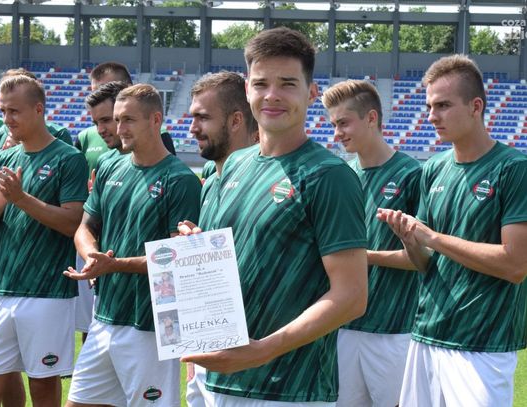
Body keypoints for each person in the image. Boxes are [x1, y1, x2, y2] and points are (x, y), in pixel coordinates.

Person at [179, 27, 368, 407]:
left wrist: (261, 351)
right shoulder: (233, 165)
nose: (272, 95)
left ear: (311, 93)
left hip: (288, 390)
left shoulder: (329, 176)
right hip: (215, 378)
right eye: (262, 83)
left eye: (288, 84)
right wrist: (198, 250)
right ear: (247, 89)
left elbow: (351, 297)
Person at [375, 54, 527, 407]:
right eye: (429, 106)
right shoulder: (433, 169)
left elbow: (516, 265)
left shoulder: (514, 169)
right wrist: (411, 241)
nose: (431, 116)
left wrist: (431, 237)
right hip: (426, 334)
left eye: (443, 105)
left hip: (483, 344)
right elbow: (425, 263)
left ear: (476, 107)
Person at [63, 83, 201, 407]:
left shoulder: (180, 180)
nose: (119, 128)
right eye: (116, 119)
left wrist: (113, 265)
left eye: (128, 120)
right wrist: (92, 256)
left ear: (156, 120)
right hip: (105, 315)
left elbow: (177, 258)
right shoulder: (109, 166)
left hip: (151, 324)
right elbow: (85, 227)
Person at [0, 74, 88, 406]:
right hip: (2, 289)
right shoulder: (3, 159)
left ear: (39, 109)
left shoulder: (68, 158)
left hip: (48, 292)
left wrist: (20, 199)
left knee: (43, 386)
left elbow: (73, 222)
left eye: (14, 111)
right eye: (3, 111)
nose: (7, 119)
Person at [322, 79, 421, 407]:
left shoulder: (411, 174)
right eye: (333, 125)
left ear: (371, 118)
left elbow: (425, 258)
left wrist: (365, 256)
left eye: (343, 123)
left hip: (394, 328)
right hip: (343, 325)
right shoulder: (341, 176)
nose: (337, 133)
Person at [185, 71, 258, 407]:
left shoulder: (272, 180)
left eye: (203, 117)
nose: (192, 128)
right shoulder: (211, 180)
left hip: (256, 361)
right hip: (209, 350)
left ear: (236, 120)